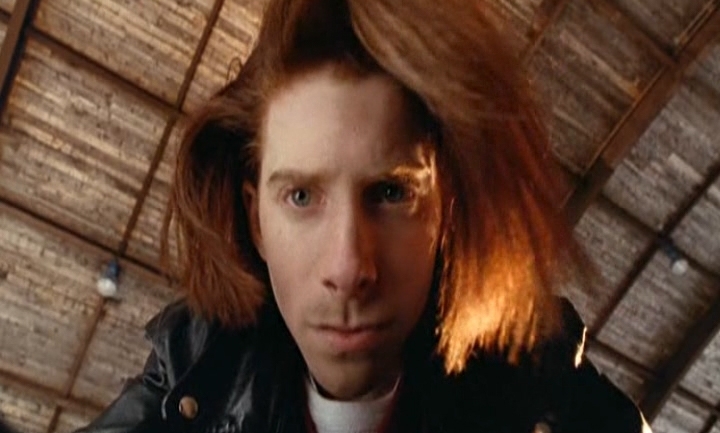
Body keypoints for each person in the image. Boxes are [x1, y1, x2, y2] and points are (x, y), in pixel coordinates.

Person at [77, 0, 648, 432]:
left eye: (391, 193)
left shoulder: (551, 397)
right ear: (256, 221)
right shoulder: (189, 373)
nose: (349, 268)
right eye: (301, 197)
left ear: (446, 209)